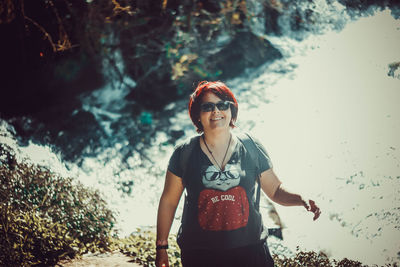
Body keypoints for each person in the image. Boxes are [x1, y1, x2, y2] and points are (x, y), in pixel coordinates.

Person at [156, 81, 321, 267]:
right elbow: (169, 201)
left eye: (222, 105)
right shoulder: (184, 153)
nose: (216, 111)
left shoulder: (250, 146)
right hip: (200, 255)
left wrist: (301, 199)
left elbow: (275, 190)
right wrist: (161, 248)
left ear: (231, 110)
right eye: (208, 107)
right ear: (198, 115)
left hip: (251, 253)